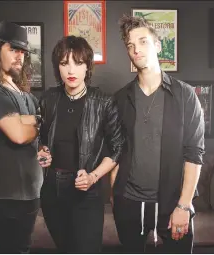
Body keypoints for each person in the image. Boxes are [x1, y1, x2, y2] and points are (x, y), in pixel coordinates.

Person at [111, 15, 205, 253]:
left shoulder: (185, 96)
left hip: (173, 202)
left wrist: (184, 205)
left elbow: (194, 154)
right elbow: (115, 150)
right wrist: (116, 196)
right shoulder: (120, 99)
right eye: (130, 46)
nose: (136, 50)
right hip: (130, 202)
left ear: (158, 45)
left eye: (143, 42)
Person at [37, 35, 125, 253]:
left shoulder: (104, 102)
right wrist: (41, 151)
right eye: (64, 63)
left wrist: (93, 176)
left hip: (87, 190)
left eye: (78, 63)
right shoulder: (48, 99)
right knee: (65, 249)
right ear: (58, 67)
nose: (71, 70)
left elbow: (117, 149)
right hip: (52, 190)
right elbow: (39, 139)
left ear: (87, 67)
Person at [0, 21, 43, 254]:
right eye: (12, 49)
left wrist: (38, 140)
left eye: (22, 51)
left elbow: (32, 135)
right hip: (6, 192)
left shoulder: (23, 92)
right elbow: (17, 134)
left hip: (31, 190)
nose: (19, 57)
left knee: (22, 248)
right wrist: (39, 121)